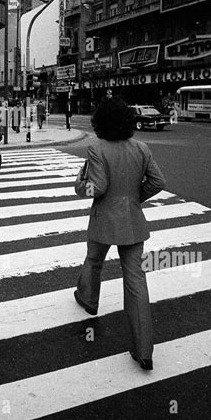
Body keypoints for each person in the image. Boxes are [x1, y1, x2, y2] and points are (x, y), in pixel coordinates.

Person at [74, 97, 166, 371]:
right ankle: (144, 350)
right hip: (132, 220)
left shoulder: (96, 148)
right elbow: (158, 181)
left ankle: (89, 300)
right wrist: (136, 197)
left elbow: (98, 187)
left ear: (99, 123)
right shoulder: (141, 147)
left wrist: (80, 186)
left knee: (94, 260)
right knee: (136, 280)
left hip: (104, 219)